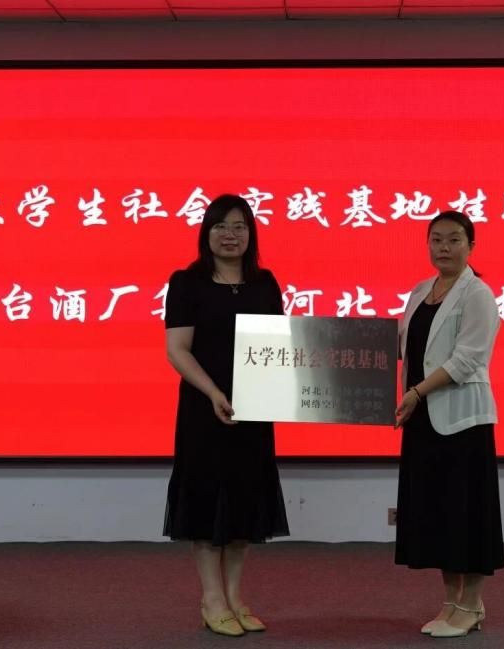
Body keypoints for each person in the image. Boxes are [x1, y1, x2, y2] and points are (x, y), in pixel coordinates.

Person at [164, 194, 289, 637]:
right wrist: (215, 393)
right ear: (206, 233)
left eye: (239, 226)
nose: (230, 235)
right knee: (205, 502)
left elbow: (281, 347)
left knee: (244, 503)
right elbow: (178, 350)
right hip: (205, 409)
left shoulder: (265, 283)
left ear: (251, 233)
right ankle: (211, 599)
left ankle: (235, 597)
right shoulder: (187, 283)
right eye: (220, 226)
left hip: (254, 410)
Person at [393, 210, 504, 638]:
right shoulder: (421, 291)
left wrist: (417, 392)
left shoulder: (478, 294)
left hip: (462, 421)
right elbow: (404, 347)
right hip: (423, 419)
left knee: (466, 514)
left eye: (454, 239)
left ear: (470, 246)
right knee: (439, 514)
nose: (444, 247)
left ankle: (471, 604)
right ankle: (451, 601)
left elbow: (467, 359)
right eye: (436, 239)